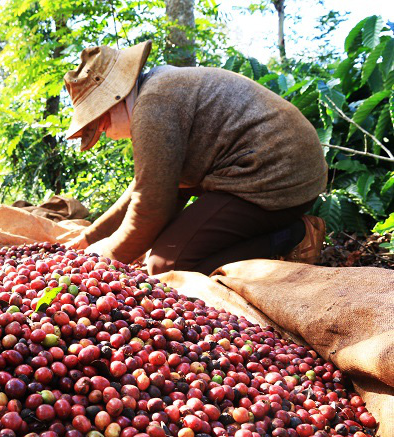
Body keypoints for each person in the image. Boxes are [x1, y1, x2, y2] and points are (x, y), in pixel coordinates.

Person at [64, 41, 327, 275]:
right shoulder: (155, 92)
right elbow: (145, 187)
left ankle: (292, 237)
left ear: (116, 97)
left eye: (101, 121)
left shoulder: (153, 105)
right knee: (160, 248)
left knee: (168, 266)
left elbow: (150, 209)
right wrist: (89, 238)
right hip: (266, 170)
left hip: (275, 177)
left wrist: (103, 262)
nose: (104, 132)